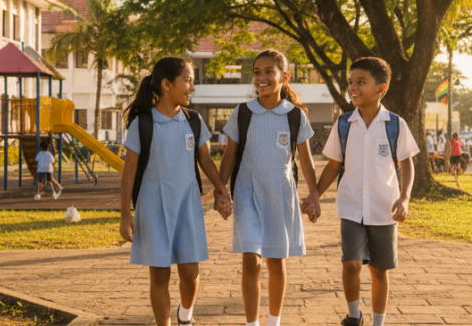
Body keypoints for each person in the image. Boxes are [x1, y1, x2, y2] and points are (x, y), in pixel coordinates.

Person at [118, 57, 233, 326]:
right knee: (159, 274)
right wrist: (125, 214)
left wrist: (221, 191)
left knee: (190, 271)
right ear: (167, 84)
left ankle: (185, 315)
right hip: (153, 205)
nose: (192, 86)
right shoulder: (143, 124)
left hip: (187, 204)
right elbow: (129, 173)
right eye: (188, 80)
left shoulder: (193, 121)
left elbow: (205, 160)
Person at [218, 49, 321, 326]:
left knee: (276, 263)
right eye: (256, 72)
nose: (261, 78)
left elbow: (306, 162)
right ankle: (252, 324)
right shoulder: (242, 113)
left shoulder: (295, 116)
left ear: (284, 77)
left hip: (280, 194)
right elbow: (228, 158)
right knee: (251, 260)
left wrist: (314, 195)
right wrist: (220, 191)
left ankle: (273, 322)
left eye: (268, 72)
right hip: (246, 192)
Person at [316, 57, 419, 326]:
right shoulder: (344, 123)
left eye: (361, 82)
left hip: (384, 209)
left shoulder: (394, 124)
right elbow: (334, 164)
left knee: (379, 270)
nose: (353, 87)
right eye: (351, 82)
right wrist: (314, 194)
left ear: (380, 89)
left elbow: (406, 162)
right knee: (351, 263)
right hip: (351, 206)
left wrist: (404, 197)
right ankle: (353, 315)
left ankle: (378, 322)